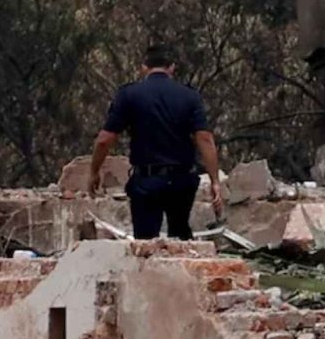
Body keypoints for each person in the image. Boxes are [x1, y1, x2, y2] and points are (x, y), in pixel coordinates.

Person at [83, 45, 224, 239]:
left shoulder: (129, 95)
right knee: (180, 236)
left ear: (144, 67)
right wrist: (215, 181)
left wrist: (94, 171)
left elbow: (104, 141)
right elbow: (205, 139)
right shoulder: (190, 96)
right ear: (172, 67)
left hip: (146, 180)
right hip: (181, 180)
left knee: (145, 241)